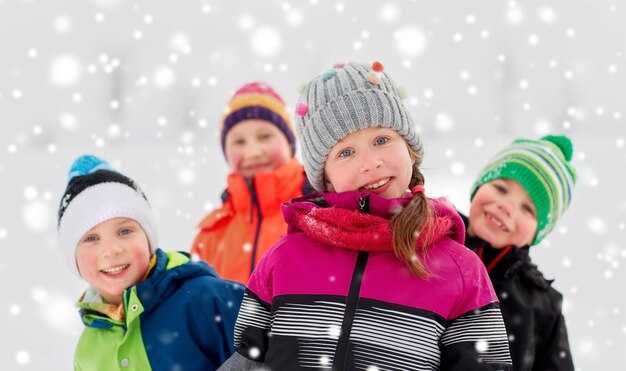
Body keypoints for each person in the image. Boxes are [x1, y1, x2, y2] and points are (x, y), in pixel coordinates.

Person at [220, 61, 512, 370]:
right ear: (326, 177)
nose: (370, 163)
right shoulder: (284, 259)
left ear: (410, 149)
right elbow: (247, 359)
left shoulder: (460, 270)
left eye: (382, 140)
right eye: (345, 152)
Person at [57, 155, 244, 371]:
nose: (111, 249)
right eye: (91, 238)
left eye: (125, 231)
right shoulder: (88, 350)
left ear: (148, 239)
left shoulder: (208, 300)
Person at [462, 135, 576, 371]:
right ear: (479, 185)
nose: (507, 206)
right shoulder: (426, 242)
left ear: (538, 232)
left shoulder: (542, 304)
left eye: (527, 208)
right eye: (501, 188)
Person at [191, 81, 313, 284]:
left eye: (265, 136)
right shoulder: (210, 236)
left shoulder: (321, 210)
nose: (253, 152)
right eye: (239, 141)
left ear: (289, 143)